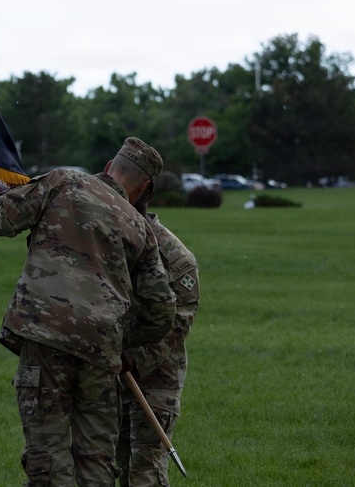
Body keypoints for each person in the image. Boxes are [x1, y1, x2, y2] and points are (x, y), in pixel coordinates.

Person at [0, 137, 177, 487]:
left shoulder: (62, 182)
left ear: (108, 166)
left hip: (45, 341)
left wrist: (13, 194)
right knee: (96, 461)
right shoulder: (141, 229)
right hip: (101, 353)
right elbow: (163, 311)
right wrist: (123, 342)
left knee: (48, 456)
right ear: (144, 188)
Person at [117, 187, 200, 487]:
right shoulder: (107, 240)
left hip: (155, 380)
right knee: (110, 468)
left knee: (145, 472)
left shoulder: (175, 256)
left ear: (143, 194)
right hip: (108, 376)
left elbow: (179, 322)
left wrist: (135, 358)